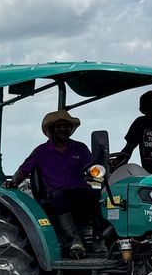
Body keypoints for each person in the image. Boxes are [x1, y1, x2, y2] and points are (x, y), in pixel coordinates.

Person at [7, 109, 100, 259]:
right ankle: (74, 242)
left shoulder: (80, 148)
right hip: (56, 193)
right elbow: (23, 170)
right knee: (58, 196)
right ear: (50, 130)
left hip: (80, 191)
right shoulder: (41, 151)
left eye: (67, 126)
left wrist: (100, 169)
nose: (63, 129)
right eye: (59, 126)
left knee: (100, 195)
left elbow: (92, 168)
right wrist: (13, 182)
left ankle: (98, 241)